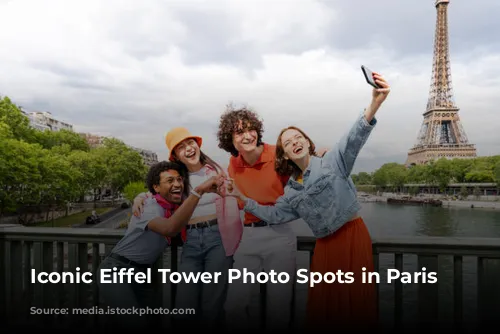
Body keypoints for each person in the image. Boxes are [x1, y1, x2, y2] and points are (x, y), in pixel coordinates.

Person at [224, 72, 391, 330]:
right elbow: (275, 214)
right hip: (325, 244)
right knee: (324, 307)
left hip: (351, 236)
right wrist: (242, 199)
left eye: (298, 137)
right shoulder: (290, 190)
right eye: (288, 143)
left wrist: (375, 103)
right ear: (286, 155)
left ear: (307, 141)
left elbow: (353, 138)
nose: (294, 142)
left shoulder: (332, 162)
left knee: (355, 304)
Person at [215, 105, 327, 331]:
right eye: (239, 132)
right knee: (234, 306)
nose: (247, 135)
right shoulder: (233, 164)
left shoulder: (277, 154)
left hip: (279, 235)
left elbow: (307, 168)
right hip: (248, 237)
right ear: (230, 139)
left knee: (279, 308)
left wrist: (321, 156)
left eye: (250, 129)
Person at [131, 128, 242, 330]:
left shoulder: (217, 172)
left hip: (218, 238)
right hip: (190, 242)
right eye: (181, 147)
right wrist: (139, 197)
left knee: (212, 306)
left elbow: (239, 195)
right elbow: (155, 194)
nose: (188, 149)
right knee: (184, 306)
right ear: (176, 156)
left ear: (197, 145)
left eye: (190, 143)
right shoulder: (178, 178)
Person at [97, 160, 224, 330]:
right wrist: (199, 190)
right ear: (156, 187)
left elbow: (181, 214)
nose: (177, 184)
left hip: (141, 273)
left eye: (179, 180)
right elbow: (170, 228)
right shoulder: (149, 206)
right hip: (116, 271)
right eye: (170, 181)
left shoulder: (170, 207)